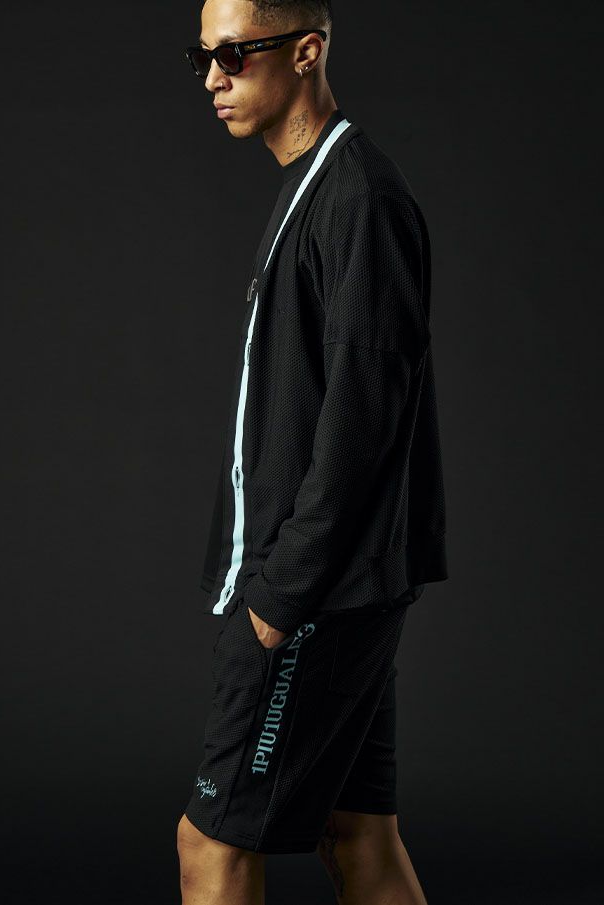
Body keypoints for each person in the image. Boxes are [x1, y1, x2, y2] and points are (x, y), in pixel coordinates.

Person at [177, 1, 448, 902]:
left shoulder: (359, 198)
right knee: (358, 835)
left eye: (232, 55)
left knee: (209, 844)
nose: (212, 78)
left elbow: (365, 421)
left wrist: (279, 597)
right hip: (337, 586)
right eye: (202, 57)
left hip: (315, 595)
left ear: (305, 51)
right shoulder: (317, 185)